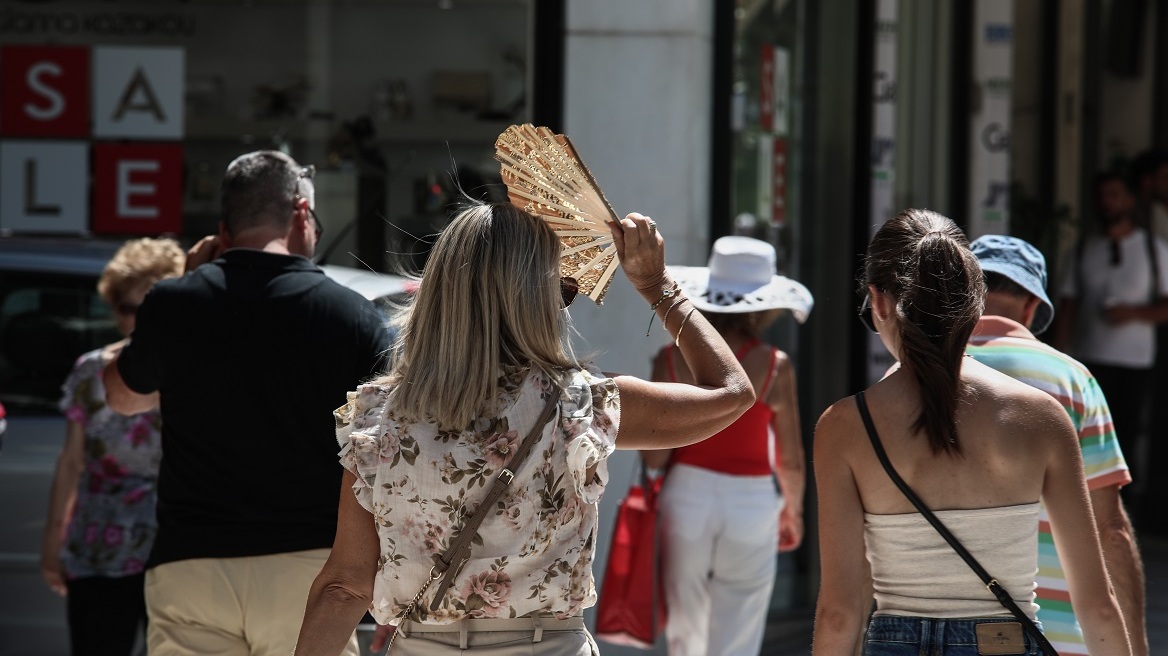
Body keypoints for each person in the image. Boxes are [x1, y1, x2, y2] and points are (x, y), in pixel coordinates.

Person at [292, 202, 755, 655]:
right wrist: (657, 285)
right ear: (534, 300)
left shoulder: (380, 418)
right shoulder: (581, 406)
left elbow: (344, 587)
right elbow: (733, 393)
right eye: (563, 290)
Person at [103, 150, 390, 656]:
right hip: (310, 570)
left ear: (223, 229)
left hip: (192, 564)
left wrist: (180, 291)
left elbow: (123, 397)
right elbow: (384, 454)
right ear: (302, 213)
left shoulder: (175, 304)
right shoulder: (352, 317)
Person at [812, 209, 1131, 655]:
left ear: (879, 302)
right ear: (975, 303)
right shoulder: (1043, 417)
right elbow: (1097, 605)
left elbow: (839, 612)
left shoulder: (844, 427)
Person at [967, 234, 1147, 656]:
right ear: (1032, 307)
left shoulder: (912, 377)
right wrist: (1134, 645)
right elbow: (1110, 528)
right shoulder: (1071, 380)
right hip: (1057, 636)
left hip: (936, 634)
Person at [645, 235, 811, 656]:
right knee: (740, 624)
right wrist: (793, 510)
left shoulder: (668, 358)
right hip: (752, 501)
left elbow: (654, 454)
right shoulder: (774, 364)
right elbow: (789, 458)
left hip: (687, 493)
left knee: (685, 622)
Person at [39, 237, 185, 656]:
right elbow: (70, 461)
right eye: (127, 307)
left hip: (171, 550)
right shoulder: (90, 370)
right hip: (98, 546)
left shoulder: (193, 374)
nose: (138, 320)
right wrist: (53, 543)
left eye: (151, 307)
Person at [1052, 171, 1168, 490]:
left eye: (1115, 195)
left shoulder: (1153, 250)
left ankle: (1127, 507)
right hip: (1089, 359)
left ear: (1130, 200)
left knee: (1128, 435)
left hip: (1135, 361)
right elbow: (1069, 306)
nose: (1108, 203)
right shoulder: (1082, 250)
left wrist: (1135, 312)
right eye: (1103, 196)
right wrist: (1058, 357)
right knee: (1089, 437)